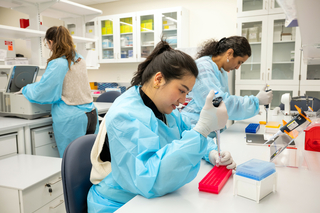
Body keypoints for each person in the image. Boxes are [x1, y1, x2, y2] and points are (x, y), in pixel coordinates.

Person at [87, 40, 236, 213]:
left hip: (150, 197)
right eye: (181, 90)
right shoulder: (125, 115)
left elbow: (187, 135)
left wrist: (211, 152)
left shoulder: (166, 110)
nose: (183, 100)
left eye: (187, 93)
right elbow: (147, 178)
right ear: (159, 79)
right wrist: (201, 130)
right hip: (119, 203)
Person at [22, 26, 99, 157]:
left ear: (51, 42)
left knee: (72, 163)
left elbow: (42, 92)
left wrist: (26, 88)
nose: (48, 46)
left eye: (47, 44)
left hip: (72, 119)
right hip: (91, 114)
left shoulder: (58, 63)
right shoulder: (79, 59)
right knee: (89, 161)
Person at [181, 36, 273, 137]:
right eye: (239, 62)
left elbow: (224, 104)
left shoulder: (221, 71)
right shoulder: (203, 67)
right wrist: (254, 102)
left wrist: (251, 105)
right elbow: (220, 104)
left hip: (212, 129)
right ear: (229, 53)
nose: (238, 67)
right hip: (194, 127)